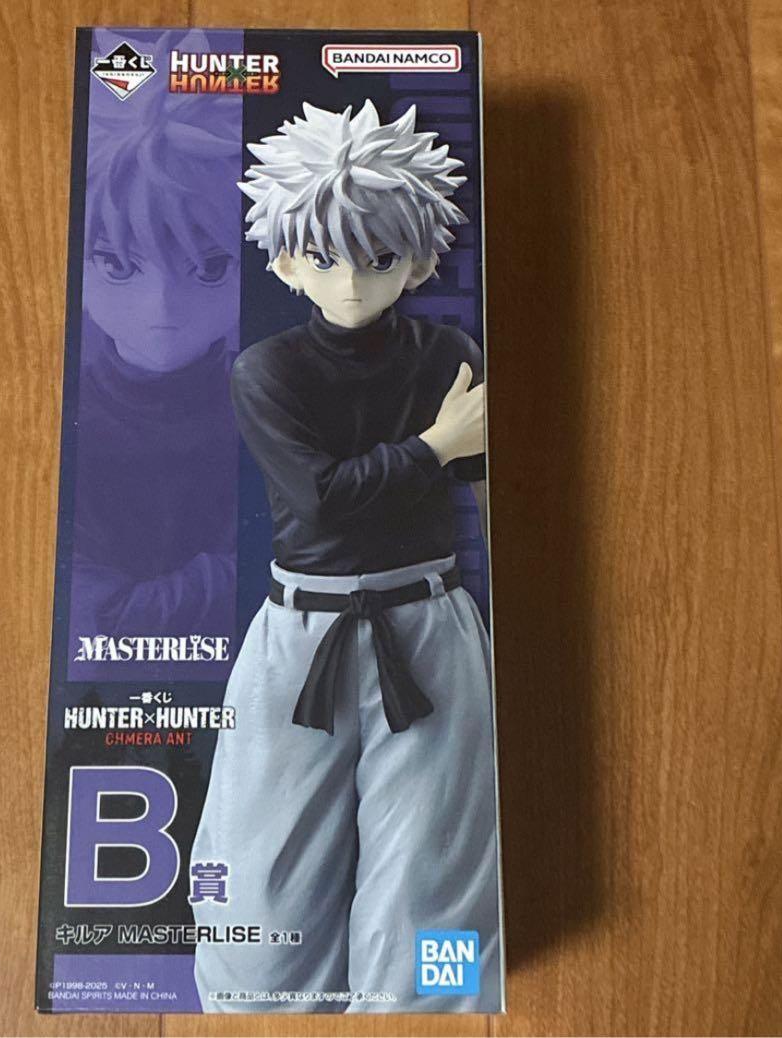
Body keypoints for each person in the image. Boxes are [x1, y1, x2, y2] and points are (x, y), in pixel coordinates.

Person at [191, 99, 503, 1013]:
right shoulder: (267, 370)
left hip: (431, 623)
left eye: (379, 256)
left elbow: (488, 486)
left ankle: (428, 1014)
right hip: (300, 636)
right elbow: (320, 502)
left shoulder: (448, 352)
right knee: (259, 881)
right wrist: (435, 447)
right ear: (287, 259)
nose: (354, 281)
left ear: (420, 259)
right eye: (325, 257)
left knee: (434, 867)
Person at [69, 108, 240, 681]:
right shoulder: (67, 420)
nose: (163, 306)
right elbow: (97, 624)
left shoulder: (274, 406)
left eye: (209, 268)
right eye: (119, 266)